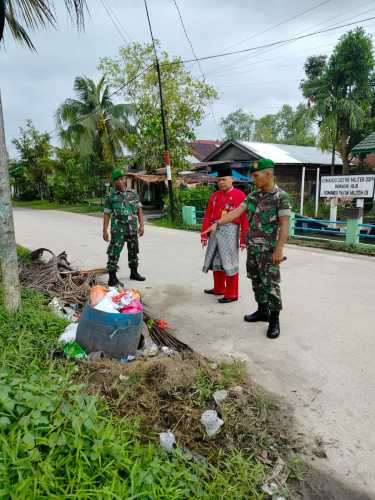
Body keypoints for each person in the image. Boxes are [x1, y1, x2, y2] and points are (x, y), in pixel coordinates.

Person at [203, 158, 291, 338]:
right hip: (253, 248)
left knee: (271, 285)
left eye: (256, 175)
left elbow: (285, 225)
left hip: (269, 251)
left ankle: (274, 319)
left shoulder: (281, 197)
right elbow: (236, 212)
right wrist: (218, 223)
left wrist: (279, 250)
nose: (253, 179)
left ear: (268, 174)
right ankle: (262, 311)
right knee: (256, 281)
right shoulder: (253, 196)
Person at [201, 164, 249, 303]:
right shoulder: (215, 196)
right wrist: (204, 234)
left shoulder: (240, 195)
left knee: (229, 262)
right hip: (214, 230)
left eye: (224, 179)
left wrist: (243, 239)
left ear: (232, 179)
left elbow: (245, 219)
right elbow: (207, 215)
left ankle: (232, 294)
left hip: (230, 231)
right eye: (219, 180)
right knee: (216, 259)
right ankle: (219, 288)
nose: (221, 182)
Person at [103, 168, 146, 286]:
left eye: (122, 178)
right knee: (114, 252)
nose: (120, 181)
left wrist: (142, 225)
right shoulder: (111, 197)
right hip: (118, 230)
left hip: (132, 229)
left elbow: (139, 210)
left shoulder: (132, 194)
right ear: (114, 182)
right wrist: (104, 230)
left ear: (125, 179)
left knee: (133, 251)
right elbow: (107, 214)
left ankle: (134, 272)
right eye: (117, 179)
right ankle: (112, 278)